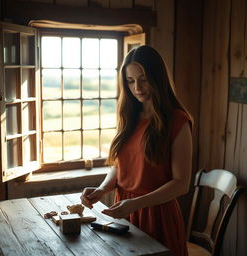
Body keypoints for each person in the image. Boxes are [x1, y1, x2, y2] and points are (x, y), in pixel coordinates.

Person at [81, 45, 193, 256]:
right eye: (130, 81)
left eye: (143, 78)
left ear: (157, 78)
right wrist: (102, 189)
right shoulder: (129, 117)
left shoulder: (177, 121)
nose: (137, 87)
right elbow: (120, 165)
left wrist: (136, 203)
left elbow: (181, 184)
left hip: (157, 214)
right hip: (125, 212)